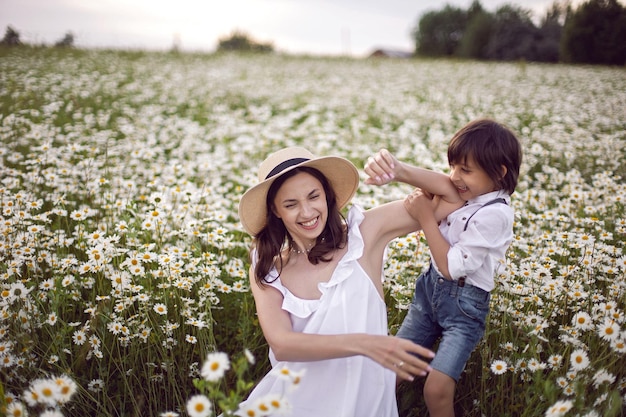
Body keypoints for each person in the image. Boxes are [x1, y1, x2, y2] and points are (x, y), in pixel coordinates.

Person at [236, 146, 460, 417]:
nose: (307, 212)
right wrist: (366, 344)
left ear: (327, 195)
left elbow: (451, 197)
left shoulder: (364, 233)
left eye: (313, 196)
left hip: (363, 406)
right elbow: (283, 345)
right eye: (291, 204)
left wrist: (400, 171)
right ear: (276, 211)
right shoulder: (269, 268)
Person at [364, 118, 523, 417]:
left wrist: (426, 217)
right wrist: (397, 171)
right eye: (452, 166)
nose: (455, 177)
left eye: (465, 169)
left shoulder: (496, 215)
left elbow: (452, 268)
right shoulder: (469, 192)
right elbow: (441, 183)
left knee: (436, 390)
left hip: (464, 308)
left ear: (499, 173)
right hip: (429, 295)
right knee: (388, 373)